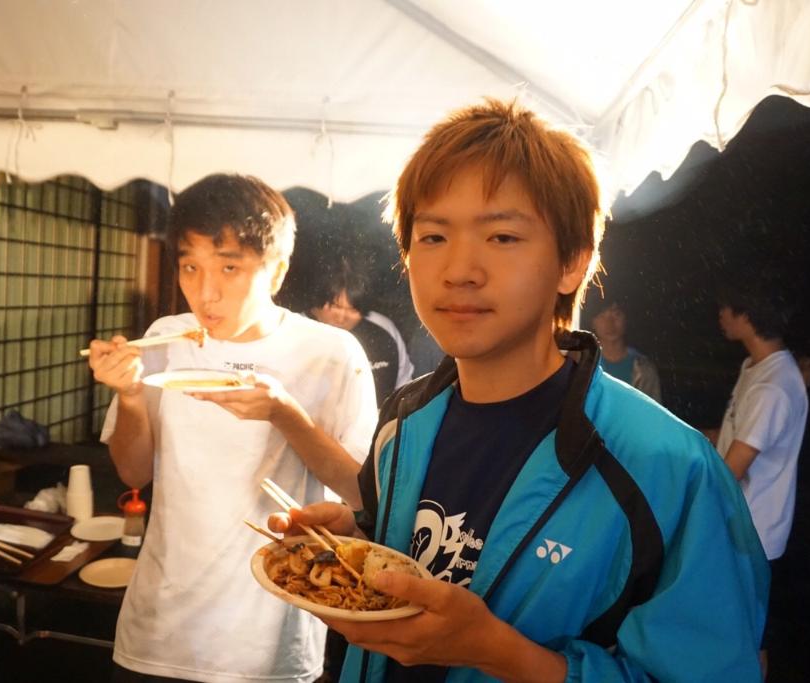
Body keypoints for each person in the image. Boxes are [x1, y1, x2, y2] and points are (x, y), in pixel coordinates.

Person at [269, 99, 768, 682]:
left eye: (502, 236)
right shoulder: (405, 422)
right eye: (433, 236)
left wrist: (496, 650)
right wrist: (356, 542)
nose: (460, 270)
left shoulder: (668, 468)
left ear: (572, 262)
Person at [88, 174, 378, 682]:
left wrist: (285, 413)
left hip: (267, 641)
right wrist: (130, 395)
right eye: (190, 267)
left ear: (276, 270)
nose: (206, 293)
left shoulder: (330, 353)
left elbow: (361, 492)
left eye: (229, 267)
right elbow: (133, 473)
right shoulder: (166, 338)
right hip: (159, 631)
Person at [710, 284, 808, 677]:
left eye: (725, 308)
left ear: (747, 315)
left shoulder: (773, 386)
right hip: (740, 524)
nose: (720, 315)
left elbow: (733, 468)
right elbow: (733, 434)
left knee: (749, 637)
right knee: (731, 627)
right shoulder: (755, 367)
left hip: (753, 534)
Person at [308, 257, 415, 405]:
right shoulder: (296, 332)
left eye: (352, 309)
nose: (342, 317)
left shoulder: (383, 330)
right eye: (335, 306)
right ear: (316, 305)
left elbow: (404, 388)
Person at [588, 297, 662, 402]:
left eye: (617, 314)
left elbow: (653, 409)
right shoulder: (586, 365)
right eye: (602, 316)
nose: (609, 323)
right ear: (592, 322)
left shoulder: (644, 369)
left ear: (626, 318)